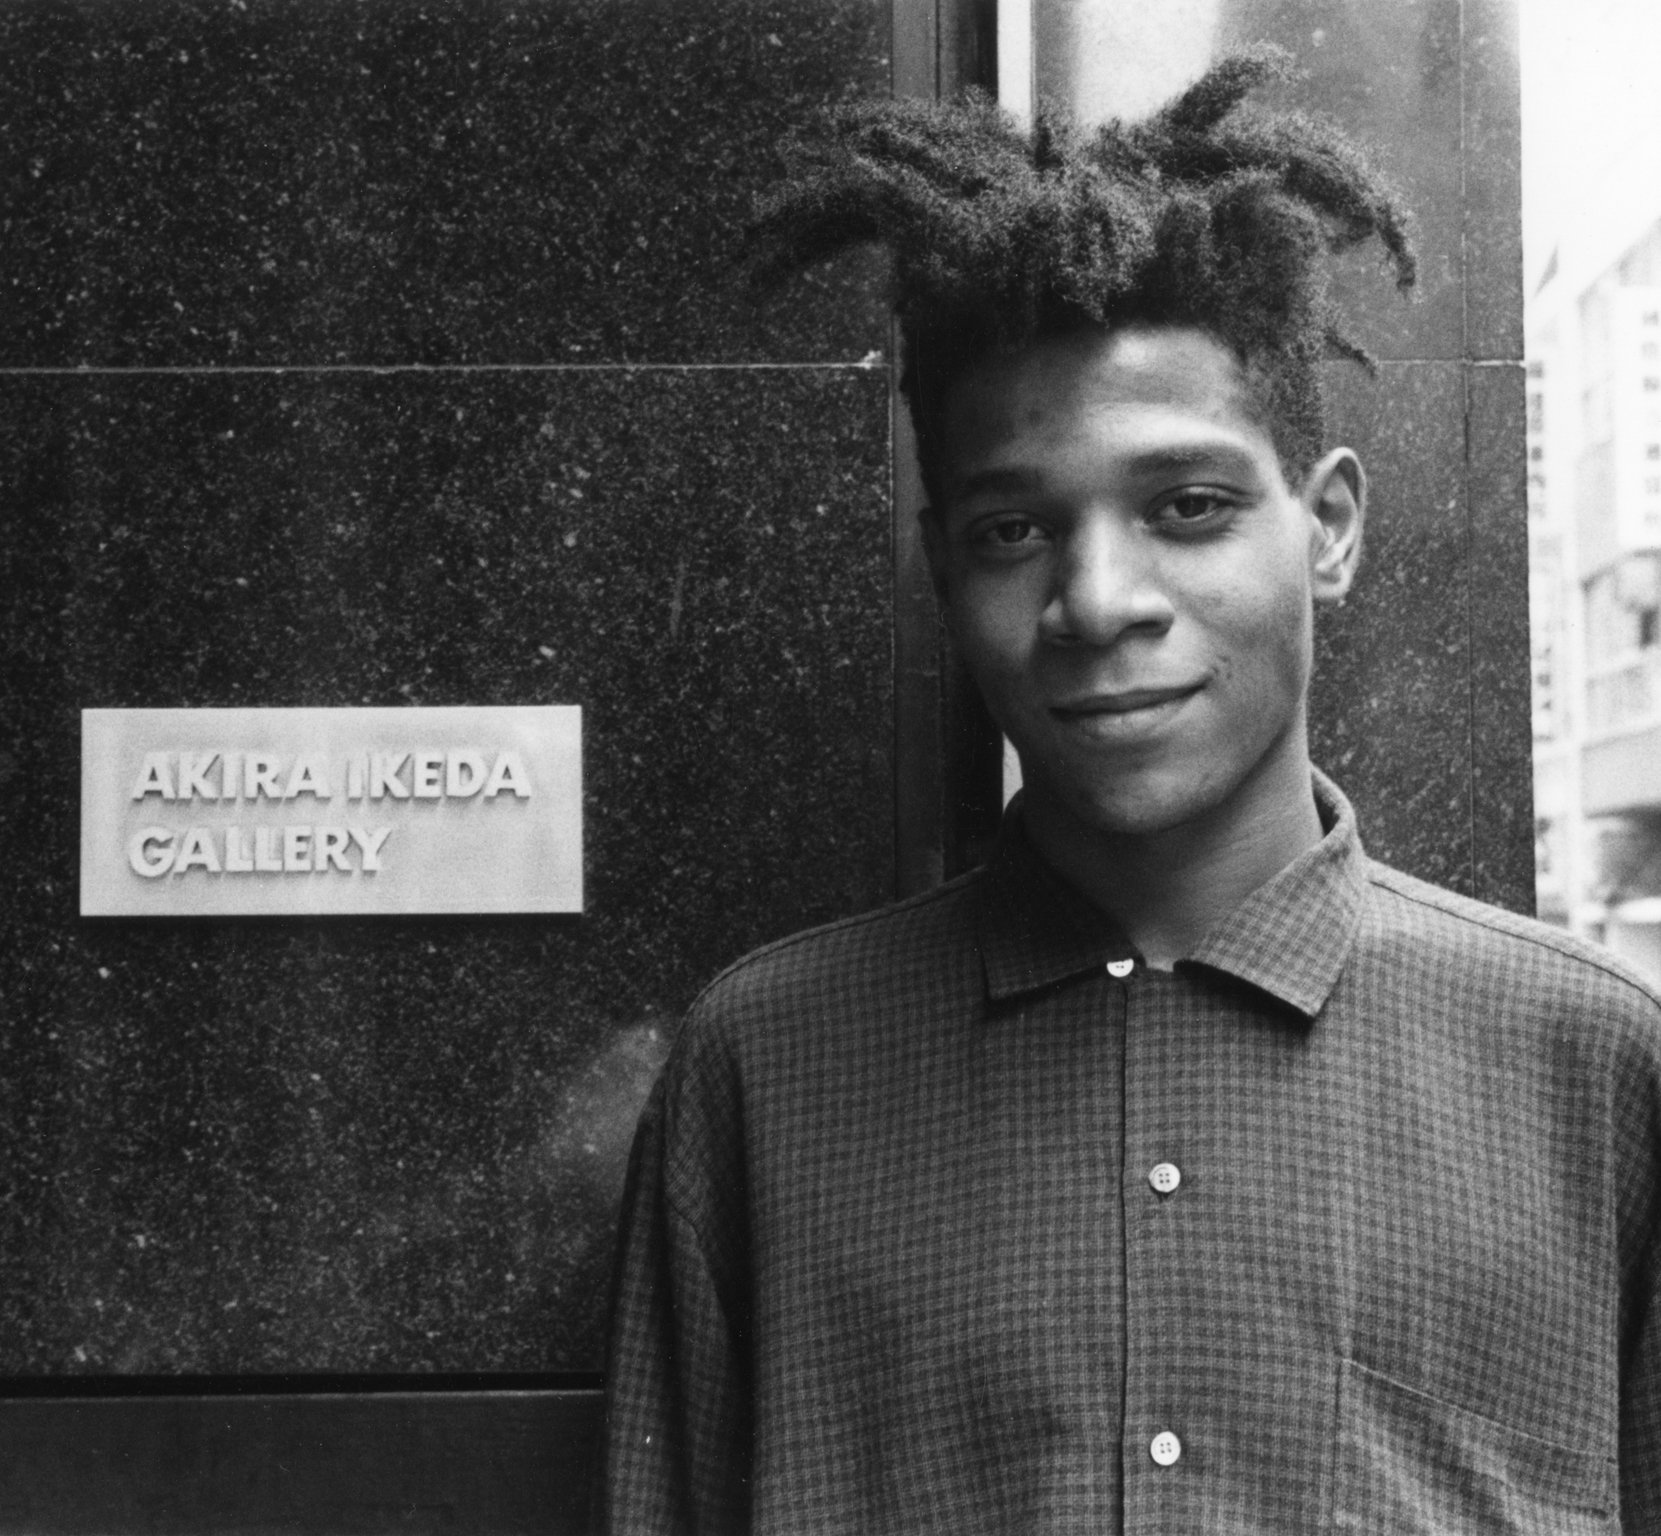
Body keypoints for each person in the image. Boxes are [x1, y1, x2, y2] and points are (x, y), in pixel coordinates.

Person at [600, 49, 1661, 1533]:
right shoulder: (764, 1074)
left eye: (1187, 507)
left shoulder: (1591, 1067)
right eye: (1015, 527)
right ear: (943, 565)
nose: (1098, 600)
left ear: (1329, 528)